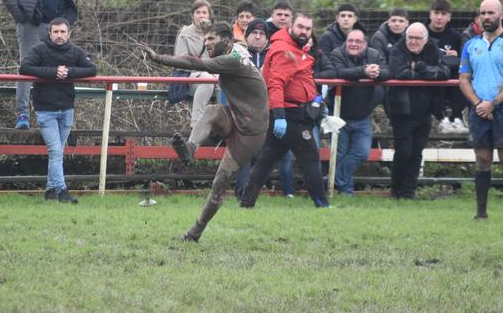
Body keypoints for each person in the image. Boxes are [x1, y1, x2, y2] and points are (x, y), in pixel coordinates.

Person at [141, 21, 268, 242]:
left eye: (212, 39)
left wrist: (158, 58)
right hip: (236, 116)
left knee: (220, 182)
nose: (206, 42)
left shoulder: (233, 60)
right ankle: (191, 147)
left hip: (251, 132)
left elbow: (193, 62)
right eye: (205, 39)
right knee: (212, 110)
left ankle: (195, 231)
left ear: (226, 41)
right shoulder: (235, 50)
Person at [240, 13, 331, 208]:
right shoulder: (285, 51)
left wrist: (314, 96)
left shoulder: (295, 48)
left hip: (288, 112)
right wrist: (280, 116)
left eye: (307, 29)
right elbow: (276, 84)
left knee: (266, 160)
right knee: (311, 159)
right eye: (300, 27)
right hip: (291, 115)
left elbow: (300, 79)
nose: (304, 32)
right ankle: (322, 204)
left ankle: (246, 203)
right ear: (290, 26)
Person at [458, 0, 503, 220]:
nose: (486, 17)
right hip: (479, 109)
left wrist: (493, 102)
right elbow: (463, 79)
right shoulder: (471, 45)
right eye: (483, 13)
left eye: (491, 13)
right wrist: (479, 104)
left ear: (501, 15)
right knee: (482, 159)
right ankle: (481, 214)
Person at [3, 0, 77, 129]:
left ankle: (56, 113)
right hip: (32, 25)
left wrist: (68, 20)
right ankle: (23, 114)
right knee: (28, 66)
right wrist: (21, 17)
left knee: (59, 69)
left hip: (57, 27)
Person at [19, 17, 97, 204]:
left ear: (69, 33)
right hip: (45, 110)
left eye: (63, 32)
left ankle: (49, 190)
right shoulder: (39, 50)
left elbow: (92, 69)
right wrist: (53, 72)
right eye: (56, 32)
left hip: (67, 109)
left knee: (57, 151)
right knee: (55, 151)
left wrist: (69, 72)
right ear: (50, 33)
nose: (59, 35)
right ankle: (62, 191)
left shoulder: (75, 51)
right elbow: (25, 67)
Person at [386, 23, 450, 199]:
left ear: (426, 39)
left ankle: (408, 192)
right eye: (410, 38)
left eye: (417, 38)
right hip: (402, 111)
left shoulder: (433, 49)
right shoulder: (398, 49)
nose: (413, 42)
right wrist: (428, 73)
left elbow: (445, 72)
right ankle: (396, 189)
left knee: (416, 154)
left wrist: (420, 68)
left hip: (425, 111)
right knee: (404, 152)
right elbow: (398, 72)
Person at [330, 30, 390, 195]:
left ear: (365, 43)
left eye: (358, 41)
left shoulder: (374, 54)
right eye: (350, 41)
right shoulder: (337, 53)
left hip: (363, 115)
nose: (353, 44)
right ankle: (346, 191)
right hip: (339, 114)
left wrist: (377, 73)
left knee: (362, 153)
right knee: (341, 154)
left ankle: (333, 179)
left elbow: (388, 72)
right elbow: (340, 73)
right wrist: (364, 71)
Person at [424, 0, 468, 134]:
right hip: (427, 75)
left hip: (450, 77)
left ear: (449, 17)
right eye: (436, 13)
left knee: (461, 75)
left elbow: (464, 61)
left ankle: (456, 118)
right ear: (430, 14)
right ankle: (441, 119)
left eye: (443, 14)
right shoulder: (420, 33)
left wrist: (456, 57)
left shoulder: (456, 37)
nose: (439, 17)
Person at [173, 0, 216, 127]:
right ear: (192, 15)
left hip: (214, 75)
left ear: (209, 15)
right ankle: (196, 123)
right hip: (190, 77)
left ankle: (222, 124)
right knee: (207, 79)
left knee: (225, 85)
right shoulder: (185, 34)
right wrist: (204, 69)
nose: (201, 15)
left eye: (204, 12)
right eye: (198, 12)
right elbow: (181, 60)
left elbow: (221, 57)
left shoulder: (215, 33)